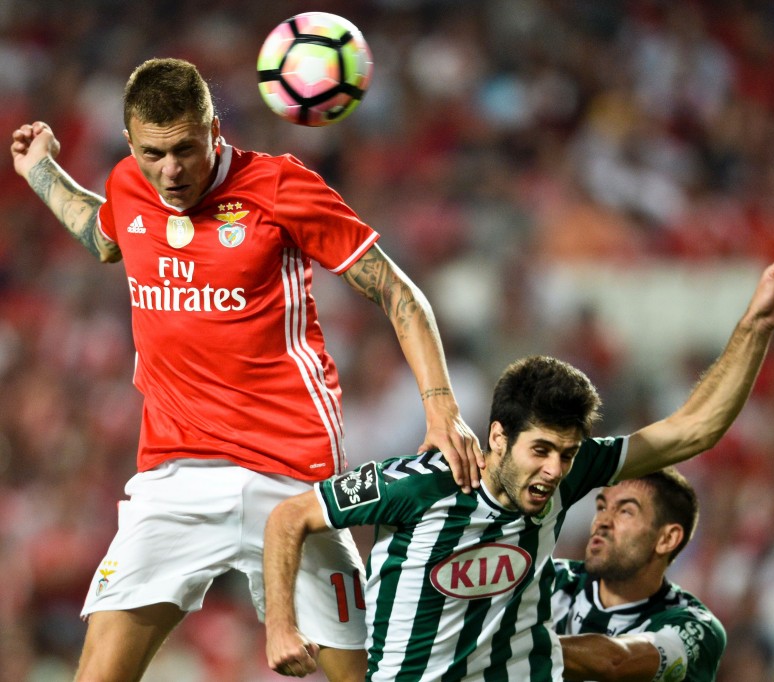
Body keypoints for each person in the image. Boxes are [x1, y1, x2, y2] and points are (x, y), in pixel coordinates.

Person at [9, 57, 483, 682]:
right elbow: (103, 236)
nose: (170, 170)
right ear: (130, 143)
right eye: (153, 153)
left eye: (185, 149)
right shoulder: (130, 185)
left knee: (361, 677)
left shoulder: (279, 187)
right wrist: (38, 169)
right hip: (173, 476)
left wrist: (440, 404)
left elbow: (397, 291)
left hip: (289, 471)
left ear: (213, 129)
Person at [263, 255, 774, 680]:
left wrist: (755, 326)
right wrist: (282, 628)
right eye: (541, 450)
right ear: (497, 438)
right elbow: (289, 517)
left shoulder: (568, 481)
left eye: (567, 454)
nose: (554, 471)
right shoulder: (421, 482)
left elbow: (693, 429)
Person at [552, 468, 725, 681]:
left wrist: (519, 646)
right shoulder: (551, 581)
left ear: (667, 539)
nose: (601, 521)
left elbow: (617, 663)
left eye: (625, 511)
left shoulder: (695, 626)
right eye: (601, 507)